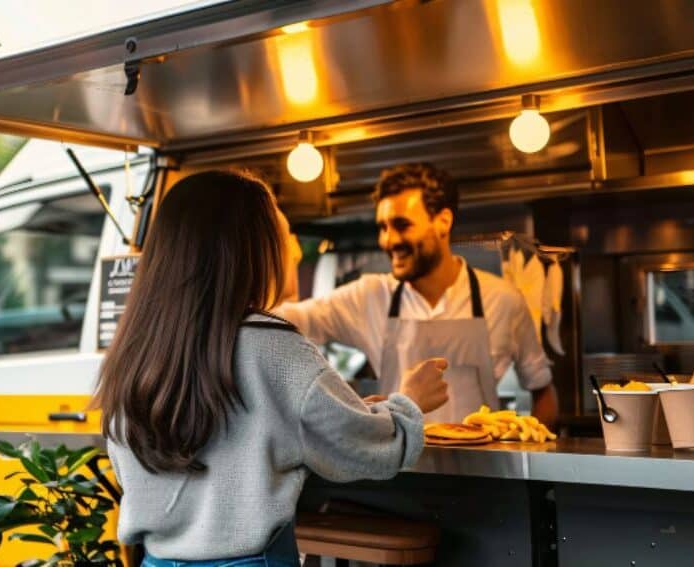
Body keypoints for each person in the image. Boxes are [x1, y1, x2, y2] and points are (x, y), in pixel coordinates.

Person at [95, 170, 448, 566]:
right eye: (281, 233)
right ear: (249, 249)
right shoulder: (274, 346)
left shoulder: (135, 349)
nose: (292, 250)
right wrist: (408, 403)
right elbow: (362, 447)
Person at [277, 162, 559, 426]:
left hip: (483, 463)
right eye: (383, 227)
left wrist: (529, 454)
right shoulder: (369, 297)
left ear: (443, 222)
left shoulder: (503, 300)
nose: (388, 240)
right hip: (400, 462)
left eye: (401, 225)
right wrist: (280, 251)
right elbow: (284, 320)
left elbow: (543, 391)